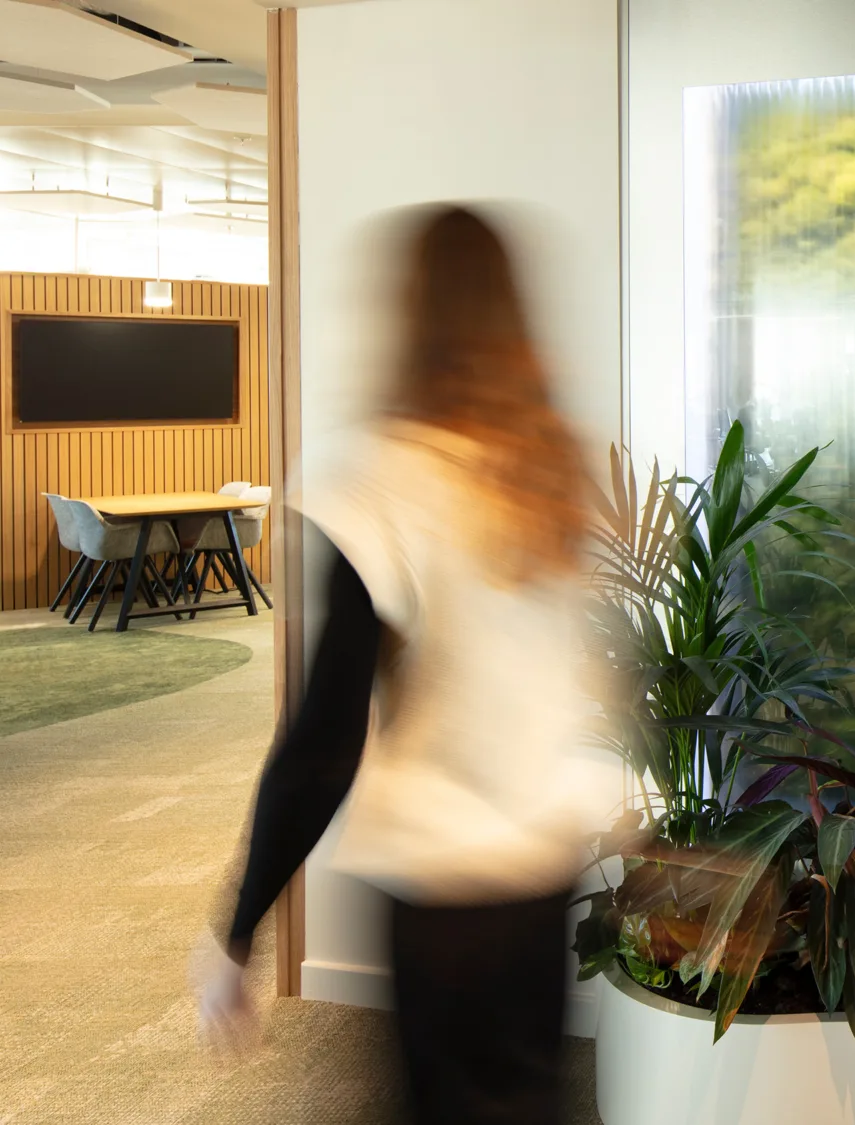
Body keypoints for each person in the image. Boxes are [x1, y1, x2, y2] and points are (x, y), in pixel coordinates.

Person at [195, 205, 604, 1125]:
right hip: (542, 872)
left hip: (447, 889)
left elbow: (323, 741)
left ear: (409, 310)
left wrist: (237, 925)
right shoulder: (544, 466)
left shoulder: (373, 476)